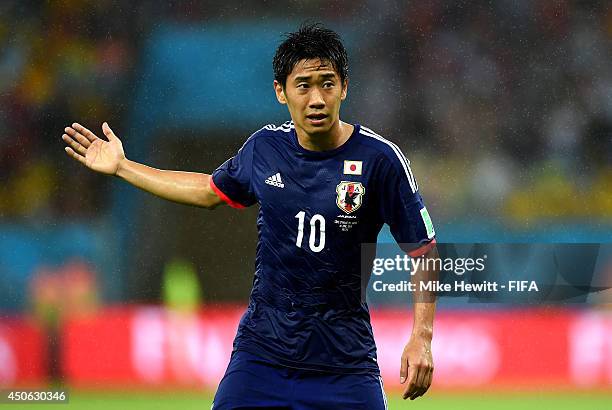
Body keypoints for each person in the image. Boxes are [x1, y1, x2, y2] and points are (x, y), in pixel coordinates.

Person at [62, 23, 437, 409]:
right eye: (303, 85)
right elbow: (208, 191)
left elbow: (423, 250)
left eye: (327, 83)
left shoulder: (381, 160)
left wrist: (422, 337)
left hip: (344, 363)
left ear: (344, 87)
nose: (317, 99)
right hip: (262, 357)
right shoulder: (264, 149)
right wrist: (124, 167)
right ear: (281, 91)